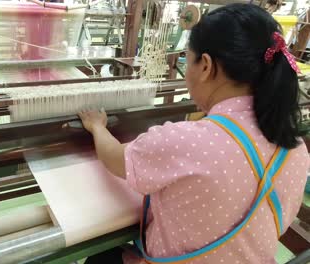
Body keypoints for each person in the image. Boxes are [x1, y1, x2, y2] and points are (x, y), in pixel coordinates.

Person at [79, 4, 309, 264]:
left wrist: (97, 127)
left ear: (206, 66)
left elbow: (114, 158)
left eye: (187, 60)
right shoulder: (296, 147)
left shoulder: (185, 141)